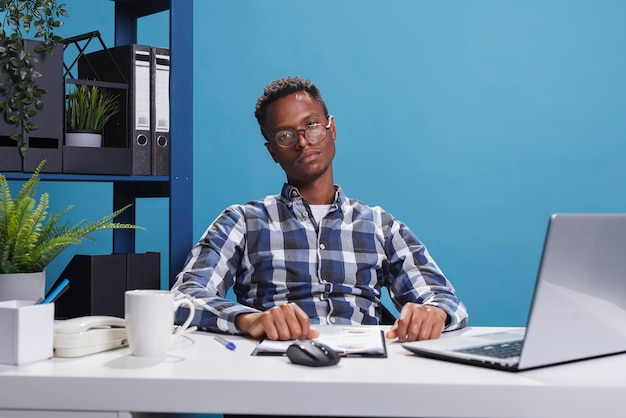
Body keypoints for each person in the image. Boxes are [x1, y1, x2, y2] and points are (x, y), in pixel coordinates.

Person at [172, 76, 468, 342]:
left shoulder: (380, 225)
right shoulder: (242, 222)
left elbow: (445, 301)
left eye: (311, 126)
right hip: (274, 372)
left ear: (331, 128)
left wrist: (434, 314)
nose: (302, 142)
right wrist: (250, 319)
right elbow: (182, 299)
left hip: (366, 375)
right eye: (285, 136)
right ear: (272, 150)